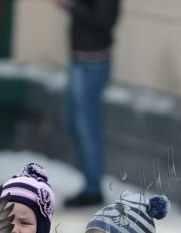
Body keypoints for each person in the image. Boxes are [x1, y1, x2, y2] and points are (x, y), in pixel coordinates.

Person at [54, 0, 121, 208]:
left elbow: (104, 19)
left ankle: (92, 190)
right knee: (73, 123)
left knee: (87, 127)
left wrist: (72, 6)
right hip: (79, 60)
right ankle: (89, 184)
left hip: (93, 63)